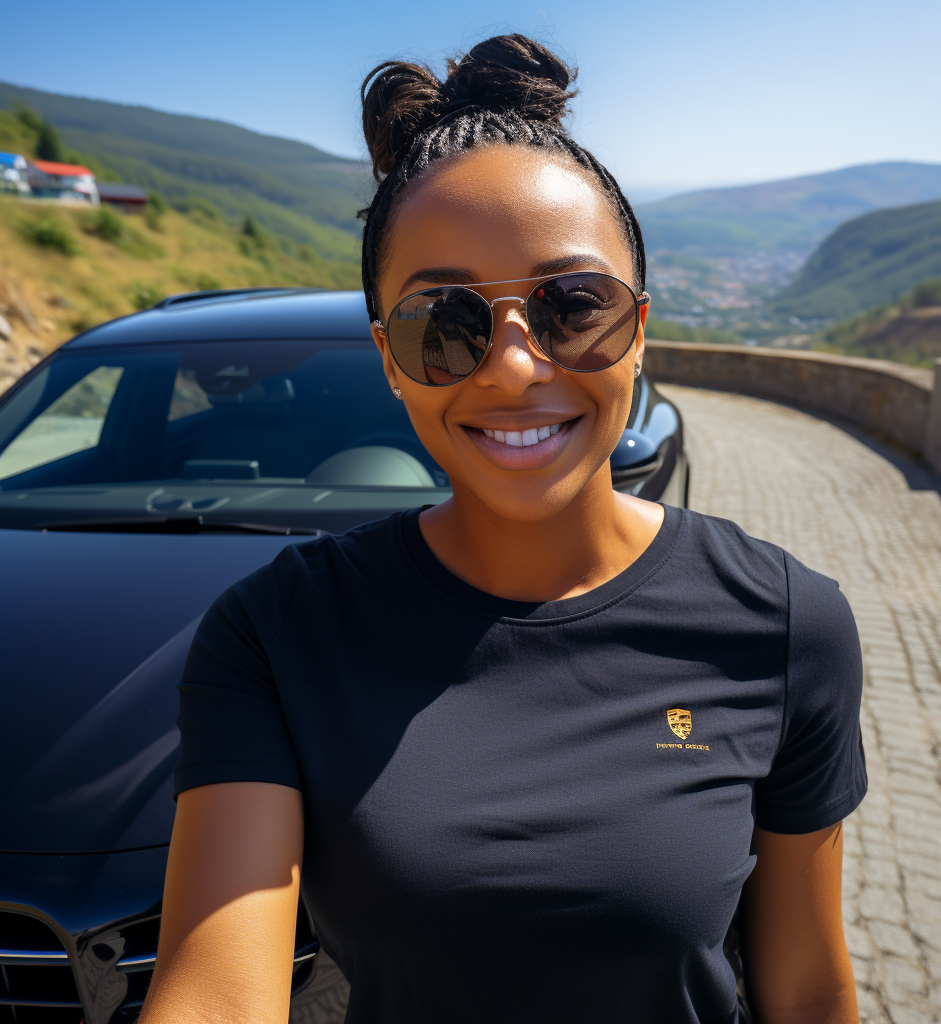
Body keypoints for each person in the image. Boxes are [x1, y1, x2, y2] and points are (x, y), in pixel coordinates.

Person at [139, 34, 866, 1024]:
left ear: (640, 329)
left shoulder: (785, 623)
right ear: (388, 359)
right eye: (446, 322)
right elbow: (216, 997)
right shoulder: (277, 634)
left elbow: (810, 990)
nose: (516, 367)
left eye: (574, 307)